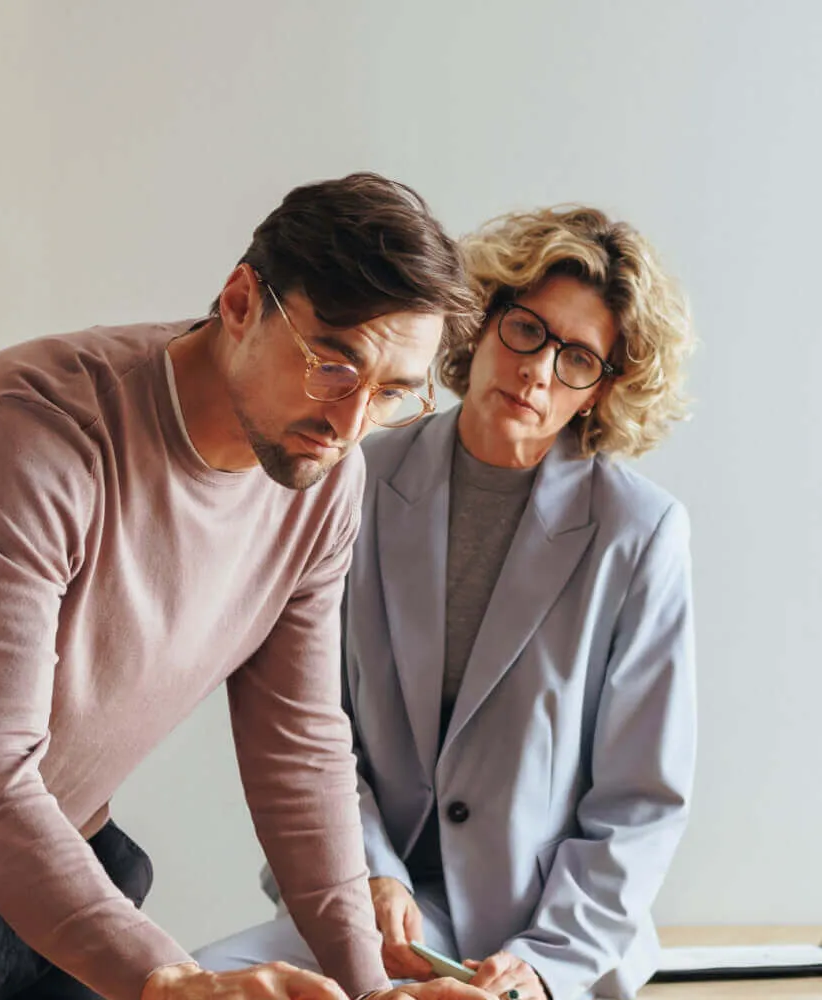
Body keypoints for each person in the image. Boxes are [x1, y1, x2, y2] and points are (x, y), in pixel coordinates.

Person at [0, 172, 498, 1000]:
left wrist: (369, 985)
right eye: (334, 366)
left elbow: (298, 745)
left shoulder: (324, 479)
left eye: (394, 393)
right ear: (238, 302)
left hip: (61, 877)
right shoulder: (36, 433)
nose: (350, 425)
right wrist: (167, 978)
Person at [195, 206, 698, 1000]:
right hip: (377, 913)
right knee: (197, 985)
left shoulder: (639, 534)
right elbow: (311, 724)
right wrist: (367, 874)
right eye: (528, 330)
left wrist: (544, 966)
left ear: (605, 390)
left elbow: (639, 802)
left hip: (544, 940)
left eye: (578, 359)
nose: (538, 370)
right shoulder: (354, 476)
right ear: (482, 322)